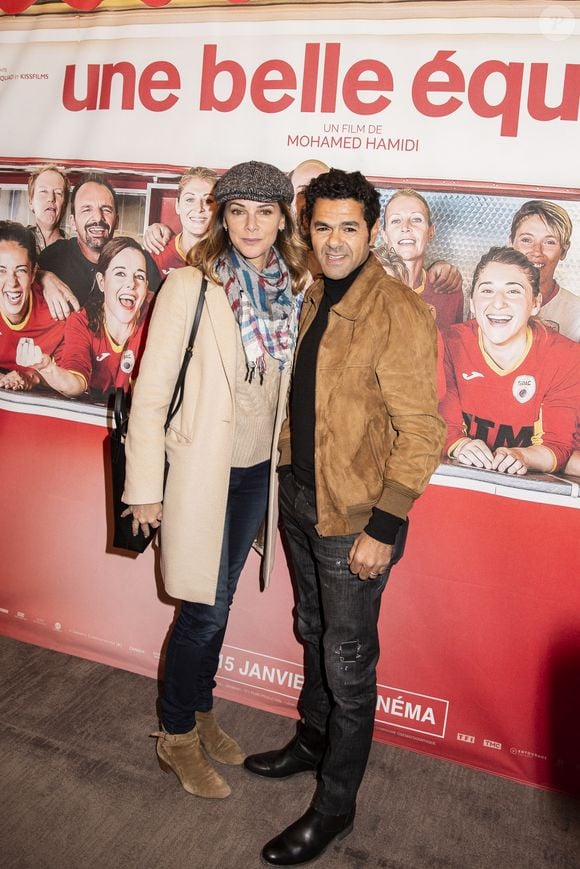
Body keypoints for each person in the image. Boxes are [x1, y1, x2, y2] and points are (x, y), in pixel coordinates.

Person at [244, 169, 446, 866]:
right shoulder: (316, 294)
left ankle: (335, 807)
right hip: (301, 495)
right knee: (313, 629)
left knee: (349, 660)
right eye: (322, 226)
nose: (333, 241)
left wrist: (382, 528)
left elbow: (423, 431)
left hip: (355, 518)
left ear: (373, 231)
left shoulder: (398, 311)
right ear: (309, 226)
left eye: (349, 228)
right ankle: (311, 739)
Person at [121, 161, 309, 800]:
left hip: (256, 472)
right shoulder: (191, 285)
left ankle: (200, 710)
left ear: (283, 217)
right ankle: (176, 734)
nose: (250, 225)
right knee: (202, 611)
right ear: (221, 217)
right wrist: (144, 488)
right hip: (202, 472)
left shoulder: (292, 288)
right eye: (237, 211)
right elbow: (150, 393)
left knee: (218, 602)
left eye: (264, 212)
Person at [440, 246, 580, 475]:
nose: (498, 303)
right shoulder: (448, 342)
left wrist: (522, 456)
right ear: (473, 303)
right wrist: (460, 445)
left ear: (535, 304)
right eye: (487, 291)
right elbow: (443, 427)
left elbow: (558, 446)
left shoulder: (566, 356)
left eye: (513, 292)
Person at [17, 237, 153, 400]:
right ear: (102, 282)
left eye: (139, 276)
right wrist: (45, 367)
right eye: (120, 273)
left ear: (146, 286)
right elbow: (76, 384)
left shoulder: (156, 315)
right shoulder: (81, 321)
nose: (131, 284)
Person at [38, 172, 160, 318]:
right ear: (73, 222)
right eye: (87, 209)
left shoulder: (141, 261)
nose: (97, 217)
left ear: (117, 221)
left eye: (106, 209)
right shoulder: (52, 258)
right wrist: (42, 277)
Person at [381, 187, 464, 331]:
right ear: (384, 235)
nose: (406, 227)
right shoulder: (365, 288)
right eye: (396, 221)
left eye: (416, 219)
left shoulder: (448, 289)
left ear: (430, 232)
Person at [0, 221, 65, 392]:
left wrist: (33, 376)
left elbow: (70, 378)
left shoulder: (56, 314)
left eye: (20, 270)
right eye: (1, 270)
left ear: (33, 273)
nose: (12, 283)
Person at [509, 199, 580, 342]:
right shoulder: (489, 300)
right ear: (511, 243)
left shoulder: (576, 313)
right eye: (526, 240)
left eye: (549, 242)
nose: (536, 252)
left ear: (564, 251)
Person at [148, 166, 218, 275]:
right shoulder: (157, 253)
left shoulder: (229, 259)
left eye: (208, 200)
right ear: (177, 206)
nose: (199, 208)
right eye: (190, 199)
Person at [27, 164, 70, 253]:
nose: (51, 198)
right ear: (31, 202)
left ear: (65, 205)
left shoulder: (74, 251)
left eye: (58, 193)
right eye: (43, 191)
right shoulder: (15, 242)